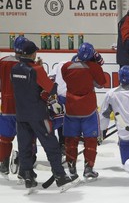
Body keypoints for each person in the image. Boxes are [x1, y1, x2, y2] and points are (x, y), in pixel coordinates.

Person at [10, 40, 80, 191]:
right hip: (39, 115)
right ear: (32, 53)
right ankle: (61, 177)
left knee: (25, 146)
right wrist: (41, 70)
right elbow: (50, 89)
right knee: (51, 145)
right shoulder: (36, 69)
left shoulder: (14, 69)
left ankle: (28, 177)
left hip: (21, 115)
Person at [61, 42, 106, 181]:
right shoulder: (93, 67)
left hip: (71, 109)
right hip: (88, 110)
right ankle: (88, 169)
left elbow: (66, 78)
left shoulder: (66, 67)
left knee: (71, 140)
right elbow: (101, 83)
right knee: (90, 140)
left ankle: (71, 169)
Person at [0, 36, 28, 179]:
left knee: (5, 138)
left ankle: (3, 164)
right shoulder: (29, 63)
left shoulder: (3, 61)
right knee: (27, 139)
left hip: (7, 106)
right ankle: (24, 168)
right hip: (24, 108)